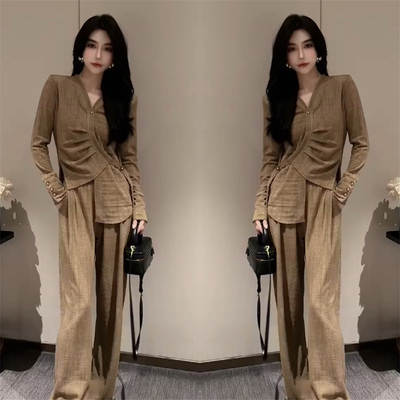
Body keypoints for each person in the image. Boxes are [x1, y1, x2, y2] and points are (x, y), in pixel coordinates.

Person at [252, 14, 368, 400]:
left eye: (307, 45)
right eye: (292, 48)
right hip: (281, 205)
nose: (301, 54)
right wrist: (259, 207)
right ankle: (298, 388)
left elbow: (361, 143)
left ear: (318, 49)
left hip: (323, 203)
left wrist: (343, 189)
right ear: (284, 57)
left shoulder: (342, 87)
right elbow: (270, 160)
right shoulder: (274, 100)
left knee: (321, 302)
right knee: (289, 305)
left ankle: (331, 392)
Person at [31, 14, 147, 400]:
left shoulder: (125, 100)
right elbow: (38, 143)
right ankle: (68, 392)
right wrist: (56, 189)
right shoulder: (58, 87)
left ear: (115, 57)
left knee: (111, 306)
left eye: (107, 48)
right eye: (92, 45)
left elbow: (129, 159)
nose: (98, 54)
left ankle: (101, 388)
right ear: (81, 49)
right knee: (78, 303)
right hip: (76, 203)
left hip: (118, 205)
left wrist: (140, 207)